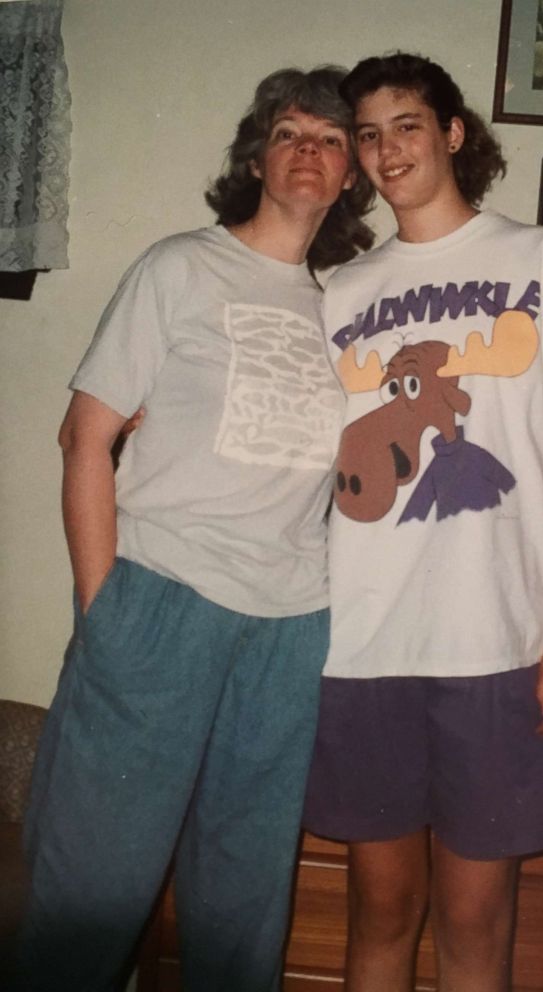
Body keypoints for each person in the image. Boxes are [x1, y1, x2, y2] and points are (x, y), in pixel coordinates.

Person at [15, 66, 373, 992]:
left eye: (331, 140)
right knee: (93, 891)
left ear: (348, 176)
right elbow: (85, 437)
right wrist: (104, 614)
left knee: (243, 908)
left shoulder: (341, 308)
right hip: (164, 598)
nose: (309, 152)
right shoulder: (181, 266)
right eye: (291, 132)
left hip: (293, 627)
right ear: (258, 154)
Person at [303, 53, 543, 992]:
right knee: (382, 914)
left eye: (406, 124)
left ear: (451, 133)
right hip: (364, 644)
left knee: (477, 921)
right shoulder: (339, 292)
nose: (384, 148)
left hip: (499, 643)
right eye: (367, 133)